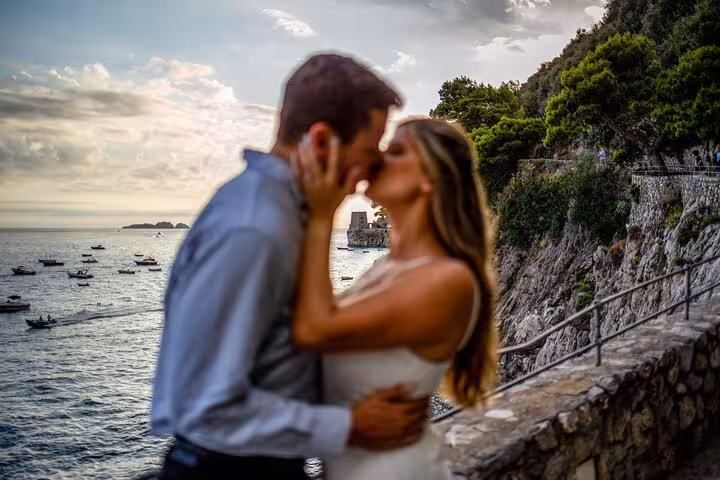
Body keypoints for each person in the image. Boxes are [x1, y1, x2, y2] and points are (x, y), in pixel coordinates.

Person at [151, 54, 429, 480]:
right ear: (321, 142)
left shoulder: (278, 213)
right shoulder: (254, 230)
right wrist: (350, 426)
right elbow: (202, 405)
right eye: (366, 153)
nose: (367, 175)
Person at [291, 118, 498, 479]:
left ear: (429, 180)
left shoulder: (448, 279)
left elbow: (314, 328)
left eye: (397, 150)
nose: (379, 156)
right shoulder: (385, 268)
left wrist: (322, 212)